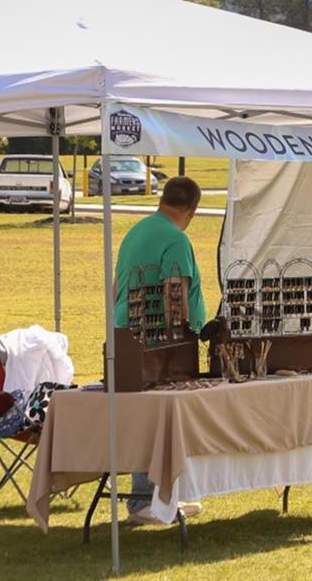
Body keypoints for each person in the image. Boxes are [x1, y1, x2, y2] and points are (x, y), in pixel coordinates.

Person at [112, 175, 206, 525]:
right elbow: (175, 295)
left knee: (142, 418)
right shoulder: (176, 239)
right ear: (192, 211)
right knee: (157, 420)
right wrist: (178, 343)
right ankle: (148, 501)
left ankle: (151, 499)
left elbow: (115, 287)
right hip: (155, 341)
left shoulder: (136, 231)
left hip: (124, 332)